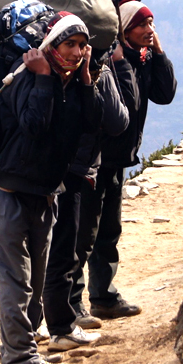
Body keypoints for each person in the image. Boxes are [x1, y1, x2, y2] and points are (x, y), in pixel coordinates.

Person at [0, 12, 103, 364]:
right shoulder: (27, 78)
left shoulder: (72, 86)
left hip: (44, 196)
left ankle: (27, 351)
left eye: (83, 46)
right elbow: (34, 126)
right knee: (16, 283)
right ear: (52, 46)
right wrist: (43, 77)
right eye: (70, 44)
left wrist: (85, 81)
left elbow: (98, 125)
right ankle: (19, 363)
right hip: (9, 194)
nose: (78, 52)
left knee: (36, 284)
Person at [69, 0, 177, 323]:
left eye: (152, 24)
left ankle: (104, 297)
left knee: (108, 231)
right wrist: (124, 63)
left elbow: (165, 93)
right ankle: (71, 307)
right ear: (125, 30)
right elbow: (124, 112)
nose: (149, 30)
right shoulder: (114, 63)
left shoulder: (141, 59)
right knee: (83, 234)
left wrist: (157, 51)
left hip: (115, 162)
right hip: (94, 161)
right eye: (142, 25)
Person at [42, 51, 130, 347]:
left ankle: (48, 326)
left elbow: (106, 119)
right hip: (70, 173)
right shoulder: (91, 70)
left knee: (60, 247)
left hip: (68, 171)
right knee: (64, 248)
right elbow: (117, 120)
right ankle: (59, 323)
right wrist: (105, 72)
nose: (79, 52)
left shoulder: (91, 71)